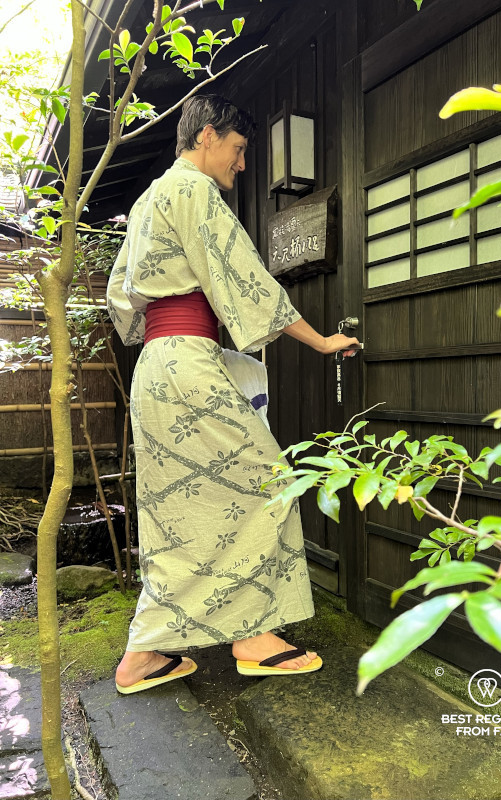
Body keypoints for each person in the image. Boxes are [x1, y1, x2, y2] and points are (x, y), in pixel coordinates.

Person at [107, 94, 359, 694]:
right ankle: (249, 635)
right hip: (188, 366)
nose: (242, 164)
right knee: (268, 478)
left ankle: (143, 654)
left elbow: (122, 300)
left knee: (175, 512)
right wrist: (322, 341)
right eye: (240, 149)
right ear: (208, 137)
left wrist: (175, 324)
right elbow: (248, 281)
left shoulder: (148, 201)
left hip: (156, 368)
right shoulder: (193, 191)